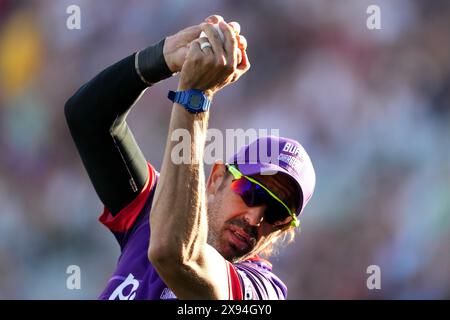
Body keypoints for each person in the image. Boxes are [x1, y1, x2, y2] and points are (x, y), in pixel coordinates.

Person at [64, 15, 315, 300]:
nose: (256, 218)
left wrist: (195, 96)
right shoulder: (154, 211)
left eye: (278, 213)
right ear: (217, 177)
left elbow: (177, 254)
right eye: (252, 192)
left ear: (283, 230)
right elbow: (88, 117)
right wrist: (163, 57)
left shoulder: (260, 293)